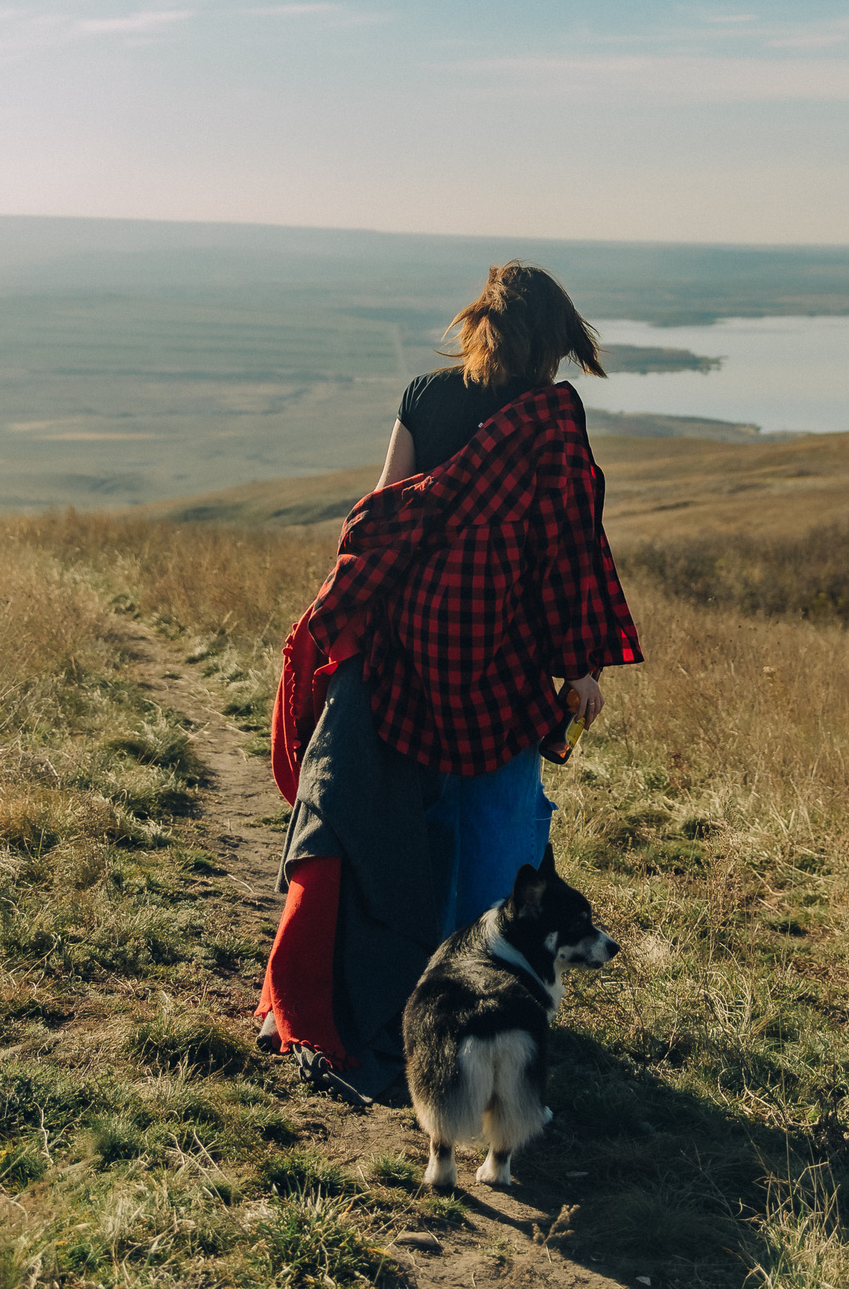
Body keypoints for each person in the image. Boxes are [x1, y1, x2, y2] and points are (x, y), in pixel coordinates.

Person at [254, 263, 642, 1102]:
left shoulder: (425, 395)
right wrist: (580, 666)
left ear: (478, 325)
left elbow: (379, 514)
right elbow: (568, 550)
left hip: (403, 658)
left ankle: (407, 1000)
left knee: (413, 831)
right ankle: (483, 1016)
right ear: (552, 340)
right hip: (502, 664)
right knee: (496, 835)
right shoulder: (550, 417)